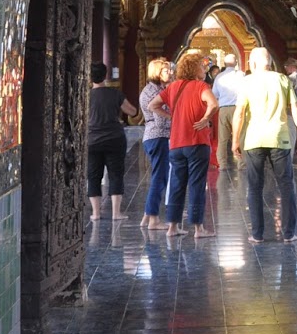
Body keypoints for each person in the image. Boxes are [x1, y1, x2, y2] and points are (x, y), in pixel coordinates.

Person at [234, 47, 297, 243]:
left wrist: (235, 140)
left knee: (254, 187)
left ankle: (257, 234)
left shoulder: (247, 82)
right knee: (286, 185)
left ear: (253, 63)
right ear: (270, 62)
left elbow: (239, 113)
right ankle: (289, 233)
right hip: (279, 138)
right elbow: (296, 110)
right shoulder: (282, 79)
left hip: (254, 139)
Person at [156, 49, 218, 237]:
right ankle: (198, 228)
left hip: (176, 143)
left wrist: (171, 116)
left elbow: (153, 105)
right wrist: (205, 119)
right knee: (197, 184)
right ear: (194, 68)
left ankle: (172, 227)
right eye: (202, 66)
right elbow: (214, 104)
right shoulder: (201, 86)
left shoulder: (173, 87)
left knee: (177, 184)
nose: (204, 69)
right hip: (197, 141)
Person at [87, 61, 136, 221]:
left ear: (89, 77)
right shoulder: (115, 94)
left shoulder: (86, 95)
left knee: (93, 175)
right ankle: (116, 213)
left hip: (92, 140)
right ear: (105, 75)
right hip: (114, 139)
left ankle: (96, 213)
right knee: (116, 174)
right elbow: (132, 111)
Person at [138, 57, 172, 229]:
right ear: (157, 73)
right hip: (158, 136)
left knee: (160, 176)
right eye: (166, 71)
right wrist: (177, 120)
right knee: (159, 177)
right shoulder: (155, 92)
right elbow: (160, 120)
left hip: (154, 137)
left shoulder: (153, 89)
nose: (170, 73)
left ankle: (147, 214)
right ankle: (153, 219)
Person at [212, 52, 245, 172]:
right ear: (235, 62)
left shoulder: (219, 77)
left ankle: (222, 164)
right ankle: (242, 164)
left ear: (224, 64)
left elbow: (214, 94)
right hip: (239, 108)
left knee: (222, 139)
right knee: (241, 136)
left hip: (224, 109)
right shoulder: (241, 75)